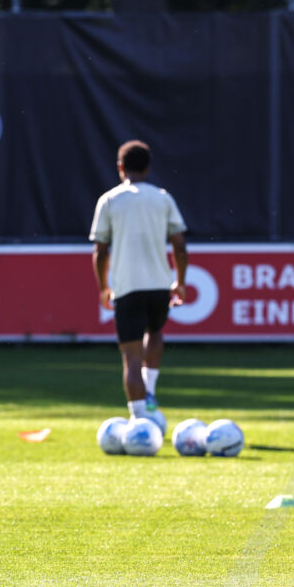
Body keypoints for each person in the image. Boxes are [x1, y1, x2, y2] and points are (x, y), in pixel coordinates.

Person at [90, 139, 188, 420]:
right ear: (147, 169)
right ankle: (151, 392)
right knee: (154, 333)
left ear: (120, 167)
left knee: (131, 357)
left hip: (126, 287)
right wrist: (180, 281)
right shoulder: (162, 197)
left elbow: (100, 250)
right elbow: (180, 246)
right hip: (159, 285)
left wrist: (103, 287)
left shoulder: (109, 200)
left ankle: (139, 420)